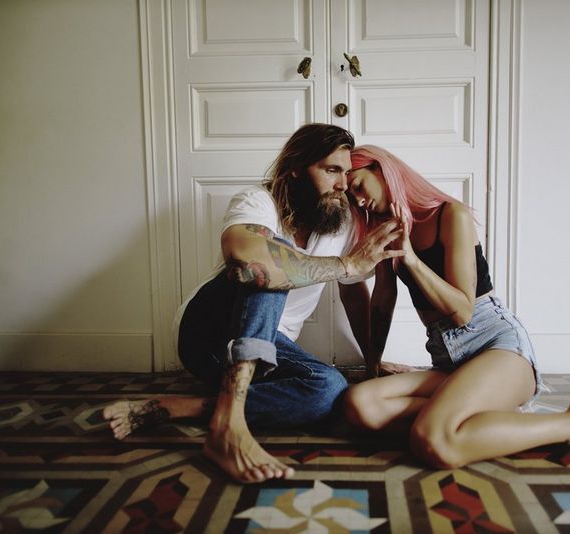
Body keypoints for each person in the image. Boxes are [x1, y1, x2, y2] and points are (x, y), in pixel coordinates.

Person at [103, 125, 404, 483]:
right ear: (297, 168)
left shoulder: (340, 223)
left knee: (328, 389)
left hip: (272, 350)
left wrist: (372, 362)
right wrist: (346, 263)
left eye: (346, 173)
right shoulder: (258, 201)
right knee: (267, 264)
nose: (342, 185)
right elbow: (245, 255)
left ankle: (190, 408)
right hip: (207, 334)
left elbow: (353, 293)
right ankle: (228, 427)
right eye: (331, 170)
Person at [342, 145, 570, 469]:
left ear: (381, 169)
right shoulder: (385, 228)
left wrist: (411, 260)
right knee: (360, 404)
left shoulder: (451, 215)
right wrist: (372, 364)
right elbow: (383, 299)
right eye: (352, 198)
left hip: (497, 347)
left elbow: (462, 311)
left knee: (434, 441)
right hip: (449, 361)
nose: (359, 201)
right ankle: (481, 415)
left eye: (358, 187)